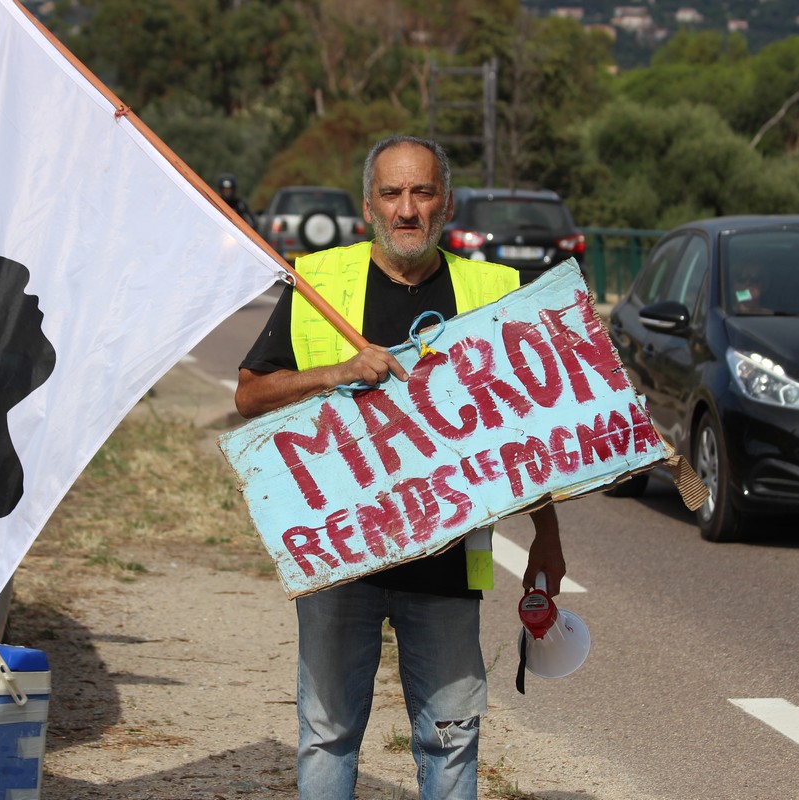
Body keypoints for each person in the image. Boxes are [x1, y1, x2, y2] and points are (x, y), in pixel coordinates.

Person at [234, 134, 567, 800]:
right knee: (327, 735)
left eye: (421, 192)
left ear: (445, 203)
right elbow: (249, 394)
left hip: (446, 563)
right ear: (368, 206)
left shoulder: (491, 290)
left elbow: (526, 433)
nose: (406, 208)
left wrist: (549, 539)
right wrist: (334, 373)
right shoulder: (319, 284)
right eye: (392, 193)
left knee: (451, 740)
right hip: (342, 559)